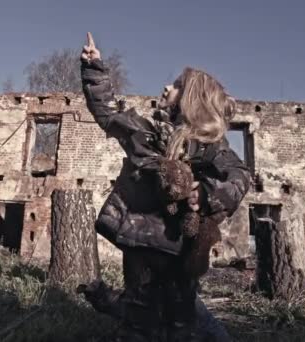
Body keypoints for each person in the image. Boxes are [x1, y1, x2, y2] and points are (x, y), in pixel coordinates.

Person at [78, 32, 250, 341]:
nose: (166, 87)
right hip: (140, 242)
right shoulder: (145, 133)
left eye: (176, 85)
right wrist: (94, 68)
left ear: (192, 99)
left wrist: (208, 193)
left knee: (180, 315)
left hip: (178, 249)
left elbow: (239, 176)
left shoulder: (209, 146)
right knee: (140, 312)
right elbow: (107, 113)